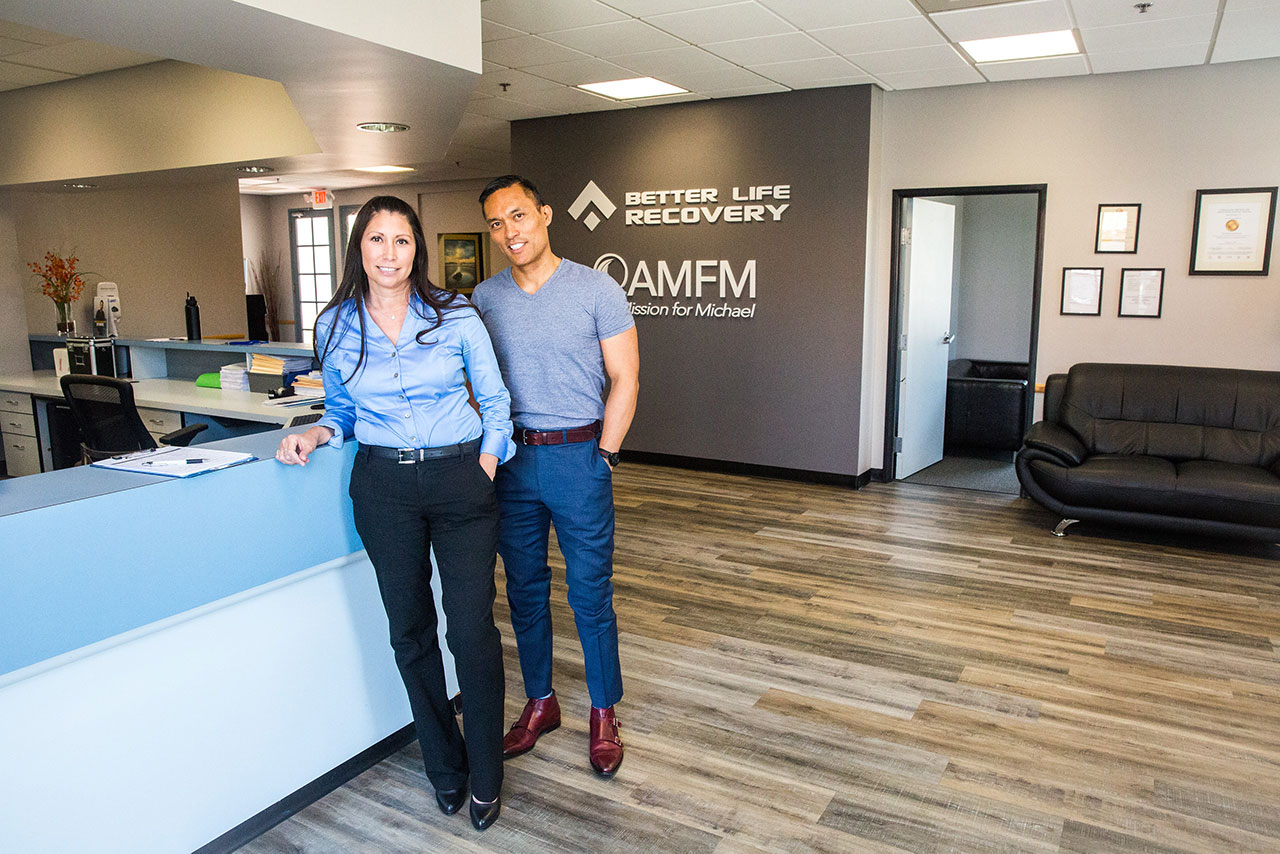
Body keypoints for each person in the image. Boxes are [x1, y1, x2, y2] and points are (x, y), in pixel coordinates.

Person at [276, 196, 513, 831]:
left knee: (470, 631)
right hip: (383, 487)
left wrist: (483, 465)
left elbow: (495, 401)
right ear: (359, 248)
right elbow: (342, 413)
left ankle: (487, 771)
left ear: (418, 250)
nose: (389, 253)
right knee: (409, 631)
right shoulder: (334, 326)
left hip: (461, 480)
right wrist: (315, 435)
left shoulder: (455, 316)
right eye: (377, 240)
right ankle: (446, 767)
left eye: (401, 241)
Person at [473, 175, 640, 778]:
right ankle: (541, 702)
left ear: (544, 215)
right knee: (523, 591)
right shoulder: (484, 299)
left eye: (518, 216)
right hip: (513, 462)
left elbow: (626, 377)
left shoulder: (597, 289)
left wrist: (607, 457)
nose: (509, 232)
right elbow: (475, 383)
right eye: (497, 223)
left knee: (591, 594)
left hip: (579, 458)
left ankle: (603, 711)